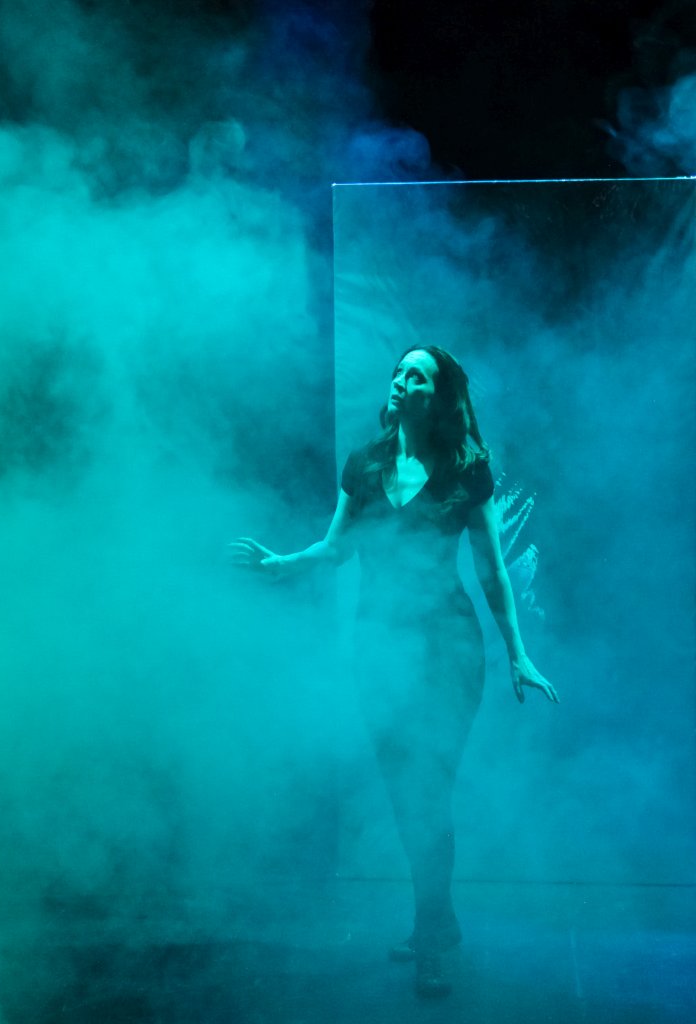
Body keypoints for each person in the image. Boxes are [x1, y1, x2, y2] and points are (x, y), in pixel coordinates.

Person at [230, 346, 557, 998]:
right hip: (379, 652)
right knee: (407, 799)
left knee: (427, 794)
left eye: (418, 376)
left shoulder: (467, 468)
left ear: (439, 397)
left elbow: (492, 570)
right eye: (399, 372)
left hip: (449, 651)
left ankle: (433, 940)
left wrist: (518, 653)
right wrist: (278, 565)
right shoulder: (366, 464)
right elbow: (335, 549)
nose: (402, 381)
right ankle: (436, 922)